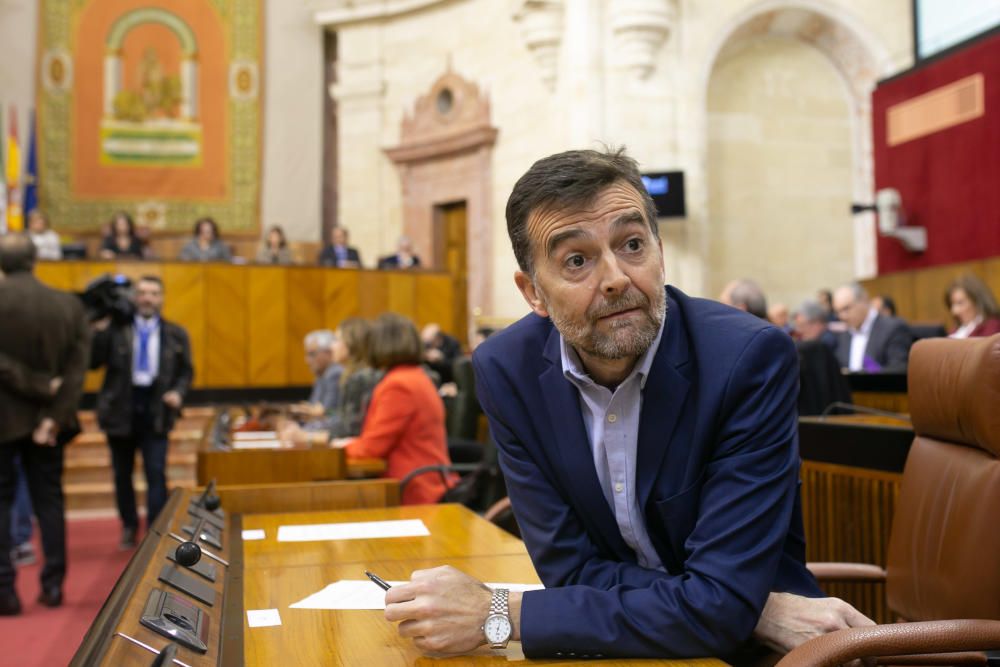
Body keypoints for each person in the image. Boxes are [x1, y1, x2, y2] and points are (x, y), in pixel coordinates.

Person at [381, 148, 871, 659]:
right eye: (577, 260)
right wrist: (746, 607)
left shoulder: (745, 360)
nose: (615, 276)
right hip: (682, 635)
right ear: (533, 294)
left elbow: (718, 606)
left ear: (660, 252)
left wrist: (499, 613)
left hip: (760, 653)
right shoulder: (508, 371)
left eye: (632, 244)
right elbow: (571, 572)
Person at [0, 235, 89, 614]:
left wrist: (31, 386)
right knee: (50, 502)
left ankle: (5, 591)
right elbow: (77, 371)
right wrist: (52, 416)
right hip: (49, 423)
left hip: (4, 420)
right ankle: (53, 586)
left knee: (1, 504)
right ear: (36, 259)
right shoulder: (68, 305)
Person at [90, 276, 193, 549]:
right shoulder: (115, 329)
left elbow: (186, 371)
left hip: (157, 408)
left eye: (154, 293)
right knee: (121, 473)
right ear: (135, 297)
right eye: (143, 293)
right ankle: (129, 525)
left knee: (156, 472)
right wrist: (98, 330)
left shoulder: (175, 333)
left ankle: (155, 529)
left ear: (161, 298)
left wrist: (178, 393)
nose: (148, 298)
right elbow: (92, 361)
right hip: (121, 408)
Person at [341, 313, 453, 505]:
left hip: (412, 490)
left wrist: (337, 449)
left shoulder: (398, 385)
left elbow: (371, 448)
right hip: (425, 482)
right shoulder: (416, 376)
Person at [832, 283, 913, 373]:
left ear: (864, 300)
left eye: (846, 309)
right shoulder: (844, 335)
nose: (842, 316)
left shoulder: (893, 328)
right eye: (838, 312)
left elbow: (899, 369)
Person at [329, 318, 380, 439]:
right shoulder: (354, 375)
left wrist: (309, 436)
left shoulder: (359, 379)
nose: (331, 347)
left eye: (336, 340)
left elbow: (350, 429)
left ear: (351, 343)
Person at [945, 274, 1000, 339]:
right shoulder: (954, 331)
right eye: (951, 304)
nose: (954, 311)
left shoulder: (993, 326)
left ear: (977, 301)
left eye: (960, 303)